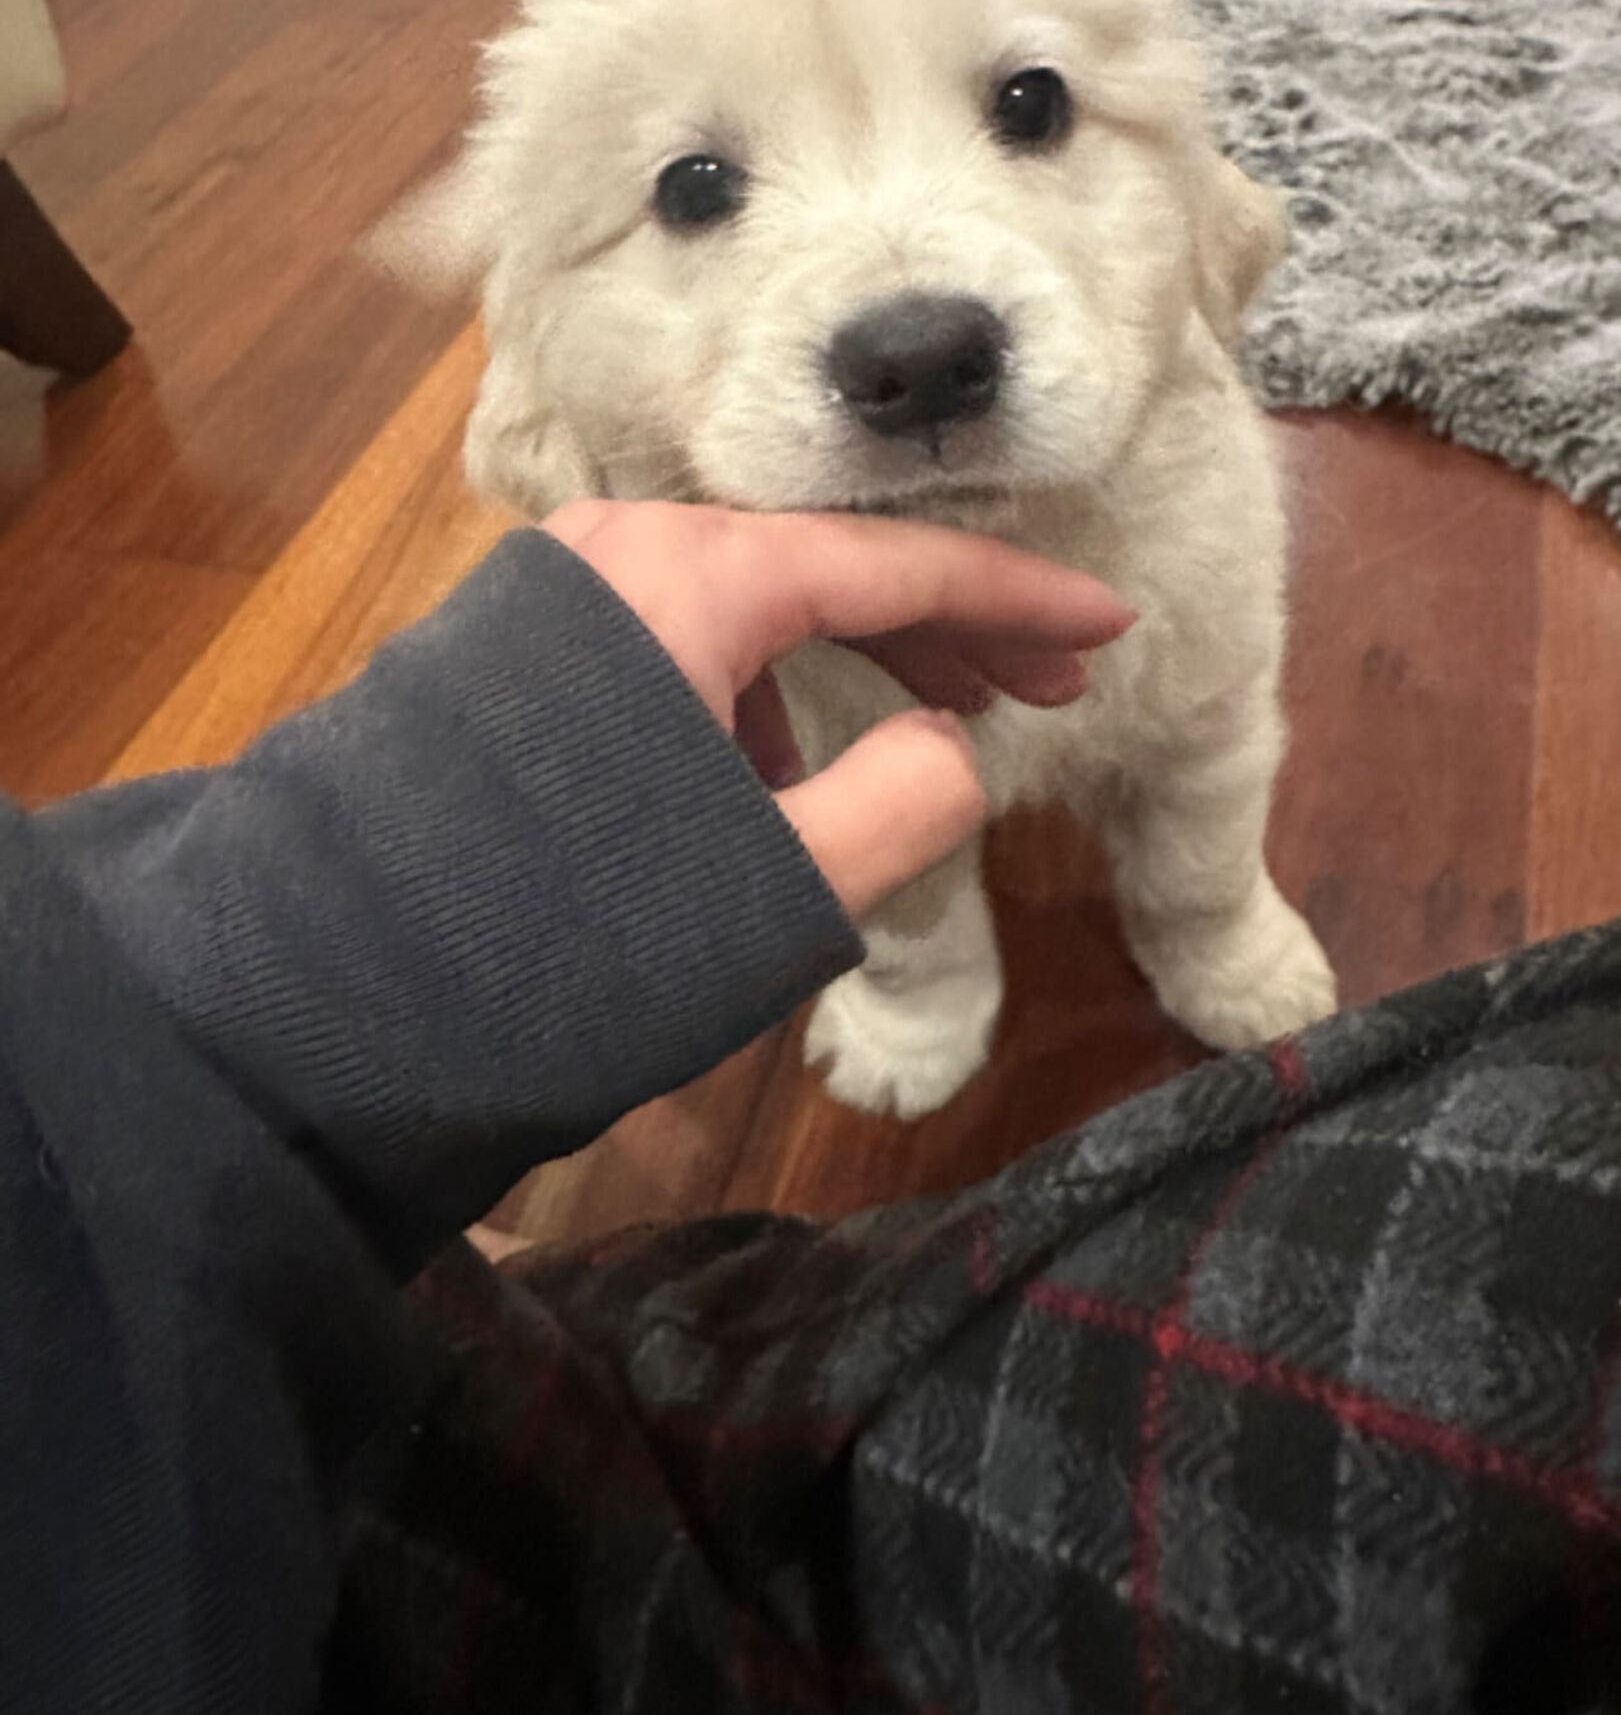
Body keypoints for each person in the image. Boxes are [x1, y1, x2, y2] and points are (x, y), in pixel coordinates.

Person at [4, 504, 1618, 1715]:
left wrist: (220, 1034)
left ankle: (417, 1285)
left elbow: (1204, 729)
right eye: (698, 188)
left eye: (1027, 106)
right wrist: (226, 1033)